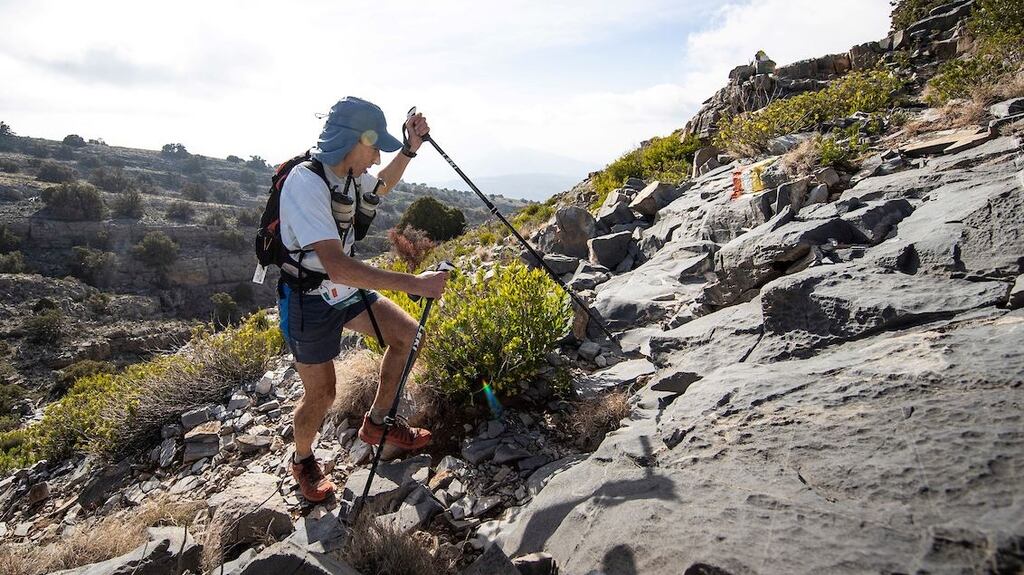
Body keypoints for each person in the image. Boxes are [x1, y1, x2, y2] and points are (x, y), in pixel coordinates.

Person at [278, 97, 449, 502]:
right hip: (308, 298)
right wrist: (415, 284)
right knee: (322, 394)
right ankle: (302, 460)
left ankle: (378, 424)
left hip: (342, 289)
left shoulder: (348, 177)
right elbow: (337, 265)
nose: (376, 157)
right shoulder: (306, 182)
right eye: (374, 148)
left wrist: (410, 149)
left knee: (409, 337)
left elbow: (383, 186)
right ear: (354, 141)